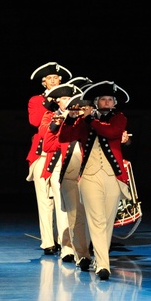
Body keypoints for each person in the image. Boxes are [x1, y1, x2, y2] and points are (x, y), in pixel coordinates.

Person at [58, 80, 130, 281]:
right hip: (89, 176)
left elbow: (110, 132)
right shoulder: (84, 121)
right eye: (103, 100)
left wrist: (89, 120)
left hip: (113, 176)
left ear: (114, 103)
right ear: (96, 102)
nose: (106, 103)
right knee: (97, 220)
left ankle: (100, 259)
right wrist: (72, 118)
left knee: (107, 221)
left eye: (109, 100)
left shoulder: (120, 118)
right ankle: (104, 265)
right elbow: (64, 137)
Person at [42, 84, 91, 270]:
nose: (68, 102)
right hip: (61, 167)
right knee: (66, 211)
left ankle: (85, 247)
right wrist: (59, 124)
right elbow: (48, 145)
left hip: (84, 167)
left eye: (70, 99)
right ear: (58, 102)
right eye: (63, 99)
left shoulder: (85, 118)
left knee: (84, 211)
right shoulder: (54, 117)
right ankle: (67, 248)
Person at [27, 61, 72, 255]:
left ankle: (64, 241)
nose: (53, 81)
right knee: (44, 201)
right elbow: (35, 121)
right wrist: (48, 100)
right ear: (44, 82)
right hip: (41, 155)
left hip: (60, 155)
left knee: (61, 200)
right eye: (49, 79)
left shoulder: (66, 99)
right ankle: (48, 242)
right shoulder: (37, 100)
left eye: (56, 78)